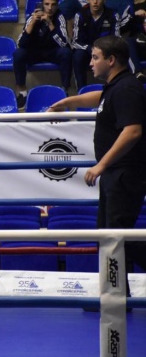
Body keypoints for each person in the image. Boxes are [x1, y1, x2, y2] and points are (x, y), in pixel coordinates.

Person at [47, 35, 146, 285]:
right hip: (116, 173)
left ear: (111, 60)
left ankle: (116, 293)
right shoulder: (116, 86)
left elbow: (133, 131)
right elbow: (101, 99)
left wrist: (101, 165)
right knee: (108, 236)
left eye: (95, 57)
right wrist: (68, 102)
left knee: (116, 237)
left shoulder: (126, 89)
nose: (90, 63)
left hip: (124, 173)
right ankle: (116, 293)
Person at [13, 0, 72, 108]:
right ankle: (22, 92)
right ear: (42, 4)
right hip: (35, 52)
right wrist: (33, 23)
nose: (50, 8)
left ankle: (64, 90)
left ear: (57, 6)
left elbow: (63, 43)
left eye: (53, 5)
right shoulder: (32, 17)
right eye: (47, 4)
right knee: (18, 53)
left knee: (66, 53)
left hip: (53, 52)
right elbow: (21, 43)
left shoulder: (60, 17)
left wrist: (50, 24)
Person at [72, 0, 121, 91]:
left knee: (116, 54)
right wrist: (91, 49)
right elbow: (75, 42)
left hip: (106, 51)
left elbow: (116, 40)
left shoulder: (113, 15)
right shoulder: (80, 15)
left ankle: (113, 89)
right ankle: (81, 90)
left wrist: (103, 50)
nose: (95, 2)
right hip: (87, 51)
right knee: (77, 55)